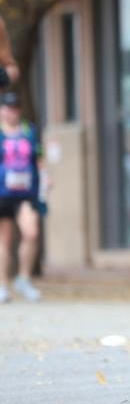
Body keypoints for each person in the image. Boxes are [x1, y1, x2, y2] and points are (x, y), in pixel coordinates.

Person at [0, 91, 44, 303]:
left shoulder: (29, 131)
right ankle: (2, 285)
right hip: (2, 193)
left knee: (31, 233)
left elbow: (39, 157)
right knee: (5, 240)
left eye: (15, 107)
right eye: (8, 108)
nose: (12, 112)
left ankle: (23, 279)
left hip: (25, 193)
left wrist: (45, 177)